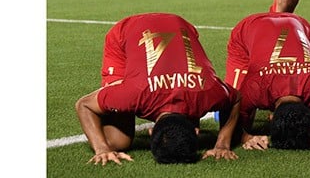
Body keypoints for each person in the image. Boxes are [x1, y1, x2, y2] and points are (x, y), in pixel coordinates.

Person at [74, 13, 242, 165]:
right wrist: (103, 149)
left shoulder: (208, 93)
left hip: (181, 24)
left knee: (120, 140)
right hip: (127, 33)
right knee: (118, 142)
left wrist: (222, 144)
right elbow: (84, 105)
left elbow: (236, 98)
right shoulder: (134, 93)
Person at [224, 12, 310, 152]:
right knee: (231, 103)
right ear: (270, 117)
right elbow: (230, 123)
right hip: (247, 31)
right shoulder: (255, 88)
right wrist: (247, 137)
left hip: (300, 25)